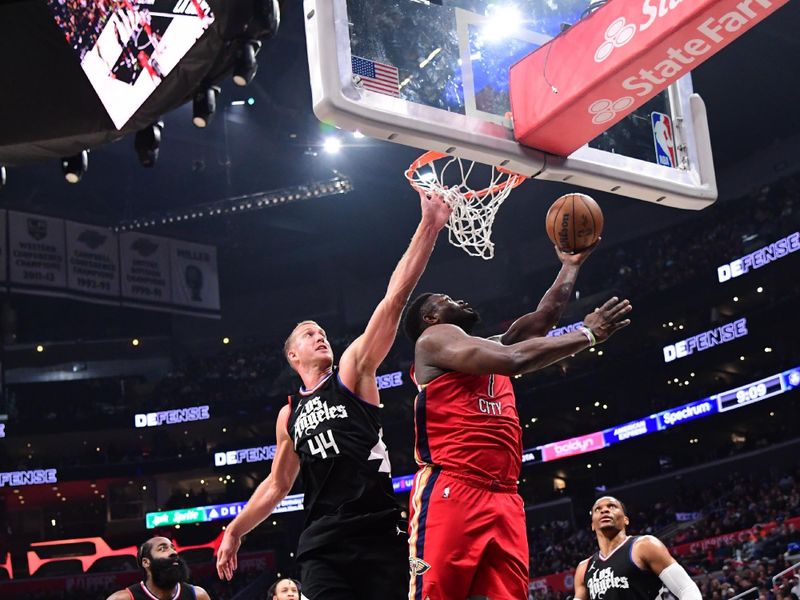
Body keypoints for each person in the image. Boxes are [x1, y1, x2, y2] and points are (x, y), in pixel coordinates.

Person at [216, 190, 451, 600]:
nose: (320, 335)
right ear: (293, 355)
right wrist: (234, 531)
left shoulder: (352, 372)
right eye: (309, 334)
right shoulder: (289, 415)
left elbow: (393, 301)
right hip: (324, 541)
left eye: (322, 331)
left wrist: (429, 226)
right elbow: (276, 484)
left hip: (378, 528)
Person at [402, 242, 631, 600]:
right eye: (444, 299)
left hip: (504, 495)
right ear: (431, 318)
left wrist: (570, 265)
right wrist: (588, 334)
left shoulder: (489, 347)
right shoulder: (433, 339)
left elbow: (544, 317)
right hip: (455, 488)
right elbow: (514, 360)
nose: (457, 300)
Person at [574, 496, 702, 600]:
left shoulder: (645, 546)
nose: (604, 510)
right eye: (598, 509)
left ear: (626, 520)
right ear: (592, 524)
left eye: (612, 506)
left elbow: (687, 589)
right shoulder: (584, 568)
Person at [105, 536, 210, 600]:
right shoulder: (123, 598)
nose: (173, 552)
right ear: (146, 562)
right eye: (163, 549)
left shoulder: (198, 596)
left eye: (173, 548)